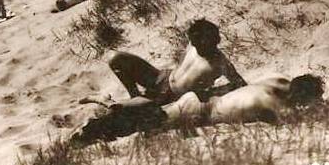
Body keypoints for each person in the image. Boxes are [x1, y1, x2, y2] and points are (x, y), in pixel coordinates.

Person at [70, 74, 324, 145]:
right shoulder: (272, 103)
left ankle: (108, 109)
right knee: (148, 123)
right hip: (198, 112)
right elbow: (293, 120)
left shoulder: (278, 81)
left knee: (153, 116)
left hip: (201, 100)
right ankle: (90, 130)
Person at [103, 19, 246, 106]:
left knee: (122, 109)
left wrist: (214, 91)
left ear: (214, 41)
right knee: (115, 58)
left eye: (201, 45)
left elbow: (240, 84)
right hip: (162, 77)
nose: (197, 48)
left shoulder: (220, 63)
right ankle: (133, 95)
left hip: (170, 98)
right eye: (195, 44)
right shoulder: (193, 44)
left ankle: (132, 102)